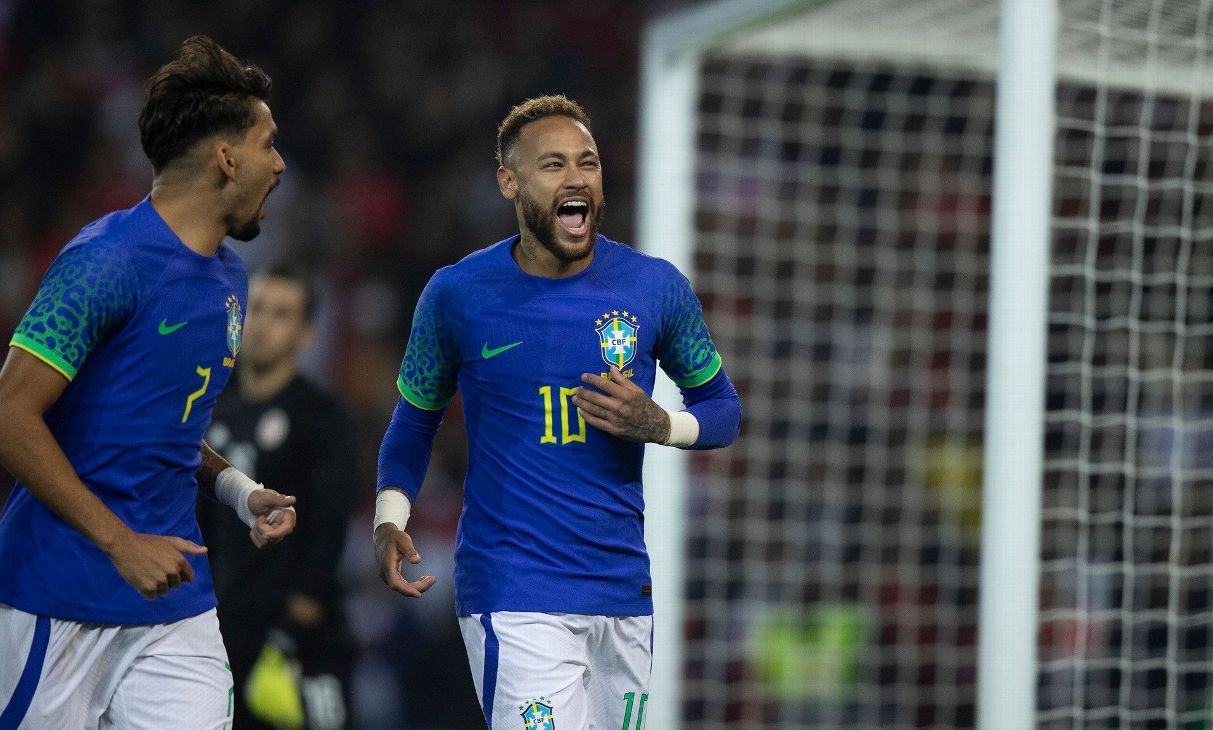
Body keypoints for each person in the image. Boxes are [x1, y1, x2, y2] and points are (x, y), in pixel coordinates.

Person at [372, 94, 742, 729]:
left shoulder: (653, 287)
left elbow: (723, 409)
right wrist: (389, 516)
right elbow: (413, 420)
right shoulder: (457, 294)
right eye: (553, 165)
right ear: (509, 183)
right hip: (515, 587)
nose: (576, 178)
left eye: (588, 162)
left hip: (622, 588)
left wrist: (661, 425)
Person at [0, 36, 296, 728]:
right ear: (226, 157)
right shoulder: (104, 262)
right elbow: (10, 415)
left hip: (174, 604)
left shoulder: (230, 276)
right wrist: (119, 541)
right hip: (60, 596)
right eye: (268, 144)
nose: (280, 165)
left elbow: (162, 425)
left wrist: (236, 489)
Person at [198, 265, 358, 730]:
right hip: (221, 629)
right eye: (258, 310)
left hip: (303, 639)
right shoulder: (206, 406)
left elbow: (327, 533)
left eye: (282, 314)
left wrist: (288, 637)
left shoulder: (323, 419)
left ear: (306, 333)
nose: (264, 324)